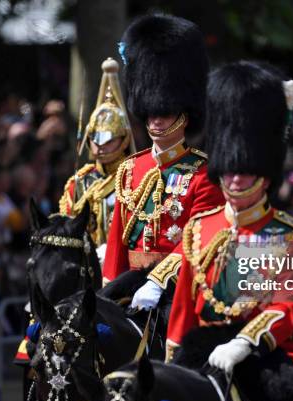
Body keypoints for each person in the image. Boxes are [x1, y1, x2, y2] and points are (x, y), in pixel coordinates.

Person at [165, 61, 293, 401]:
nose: (235, 179)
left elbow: (287, 308)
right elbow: (183, 309)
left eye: (245, 171)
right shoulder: (199, 227)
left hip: (267, 356)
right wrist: (171, 367)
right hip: (200, 355)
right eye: (229, 170)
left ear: (266, 175)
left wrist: (244, 342)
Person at [103, 14, 224, 287]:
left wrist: (157, 281)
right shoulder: (130, 169)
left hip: (177, 288)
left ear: (184, 115)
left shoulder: (203, 175)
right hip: (127, 287)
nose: (157, 120)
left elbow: (198, 239)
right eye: (152, 112)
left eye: (166, 112)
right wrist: (108, 289)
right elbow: (117, 245)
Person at [58, 57, 134, 255]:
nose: (100, 146)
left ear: (123, 140)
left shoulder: (135, 178)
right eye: (95, 139)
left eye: (108, 140)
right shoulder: (79, 182)